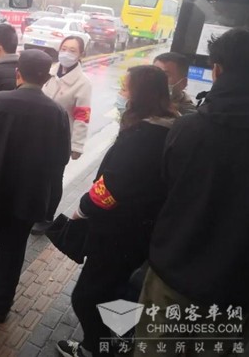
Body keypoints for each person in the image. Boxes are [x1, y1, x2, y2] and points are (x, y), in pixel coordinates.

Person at [136, 28, 249, 356]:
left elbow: (167, 188)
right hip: (238, 289)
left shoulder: (188, 128)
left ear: (217, 70)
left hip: (174, 274)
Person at [56, 65, 178, 357]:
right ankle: (118, 342)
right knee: (117, 290)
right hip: (142, 231)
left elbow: (113, 187)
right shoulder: (170, 126)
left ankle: (95, 348)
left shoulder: (143, 137)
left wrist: (82, 209)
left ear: (140, 95)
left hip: (118, 232)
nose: (121, 93)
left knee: (86, 296)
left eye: (126, 88)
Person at [0, 49, 71, 323]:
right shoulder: (58, 113)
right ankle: (1, 307)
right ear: (47, 78)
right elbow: (60, 160)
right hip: (28, 199)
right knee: (13, 253)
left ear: (18, 74)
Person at [32, 36, 92, 235]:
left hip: (60, 138)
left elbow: (82, 116)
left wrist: (77, 145)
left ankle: (46, 217)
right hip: (38, 134)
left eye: (72, 50)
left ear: (81, 54)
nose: (66, 53)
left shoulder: (83, 83)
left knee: (53, 178)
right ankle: (34, 210)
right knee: (36, 174)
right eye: (64, 48)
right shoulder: (49, 73)